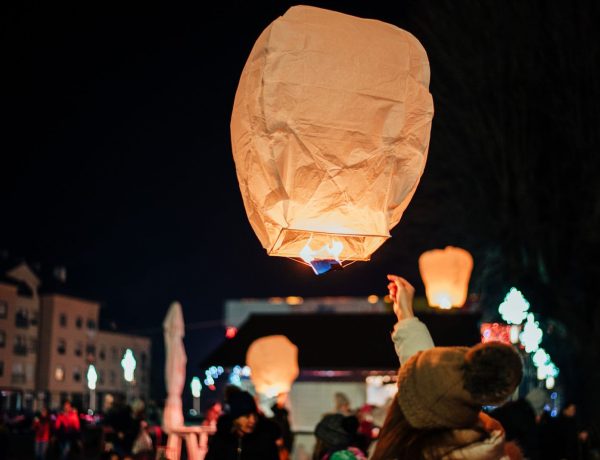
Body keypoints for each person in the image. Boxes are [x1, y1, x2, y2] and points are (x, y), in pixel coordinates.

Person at [371, 275, 524, 460]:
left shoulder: (408, 447)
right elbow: (430, 383)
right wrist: (405, 315)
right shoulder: (480, 438)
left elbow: (425, 383)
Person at [205, 390, 281, 460]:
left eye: (255, 415)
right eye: (247, 416)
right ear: (235, 418)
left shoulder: (265, 441)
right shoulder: (221, 440)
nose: (253, 420)